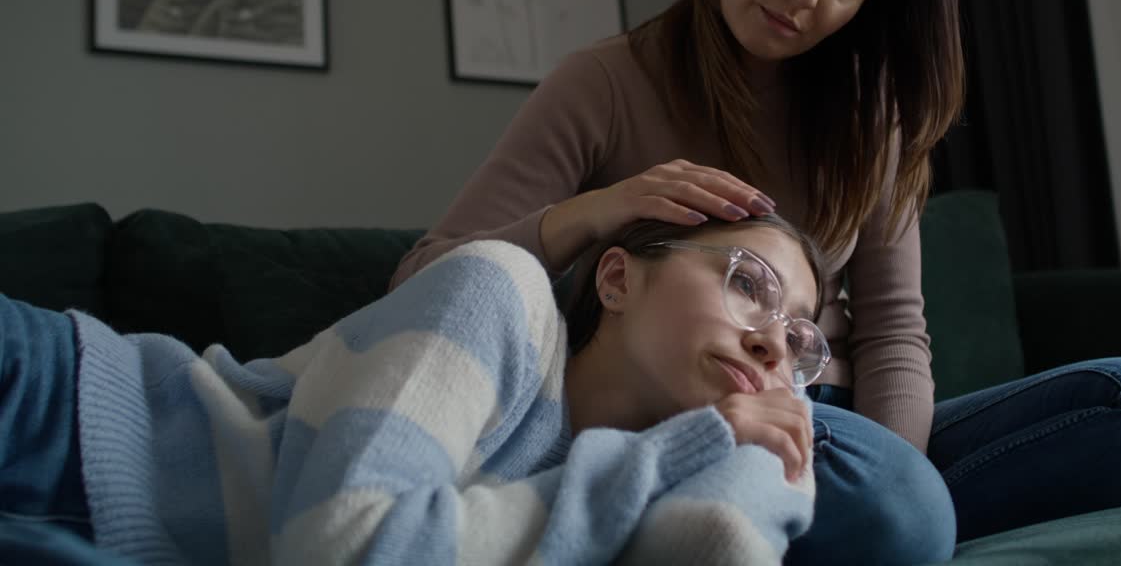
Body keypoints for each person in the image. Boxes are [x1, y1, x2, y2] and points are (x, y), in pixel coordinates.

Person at [391, 0, 1121, 562]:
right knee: (899, 510)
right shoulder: (605, 83)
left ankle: (883, 520)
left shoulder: (875, 122)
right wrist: (598, 210)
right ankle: (874, 519)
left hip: (839, 425)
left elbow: (894, 332)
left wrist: (891, 463)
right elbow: (420, 285)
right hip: (699, 415)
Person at [1, 215, 826, 565]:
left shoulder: (600, 510)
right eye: (748, 283)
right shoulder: (500, 293)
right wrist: (683, 448)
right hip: (52, 409)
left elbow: (722, 536)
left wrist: (748, 465)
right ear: (616, 279)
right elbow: (345, 548)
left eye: (799, 340)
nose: (768, 340)